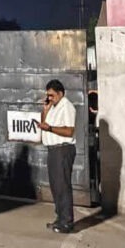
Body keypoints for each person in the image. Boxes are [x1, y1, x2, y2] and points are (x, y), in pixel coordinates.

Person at [38, 79, 76, 234]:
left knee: (62, 186)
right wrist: (45, 110)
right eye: (48, 95)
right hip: (53, 150)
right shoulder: (53, 107)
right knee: (56, 186)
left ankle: (66, 221)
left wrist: (50, 128)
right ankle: (60, 218)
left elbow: (69, 131)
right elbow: (44, 125)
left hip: (62, 149)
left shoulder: (67, 107)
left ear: (60, 93)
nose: (49, 98)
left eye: (52, 95)